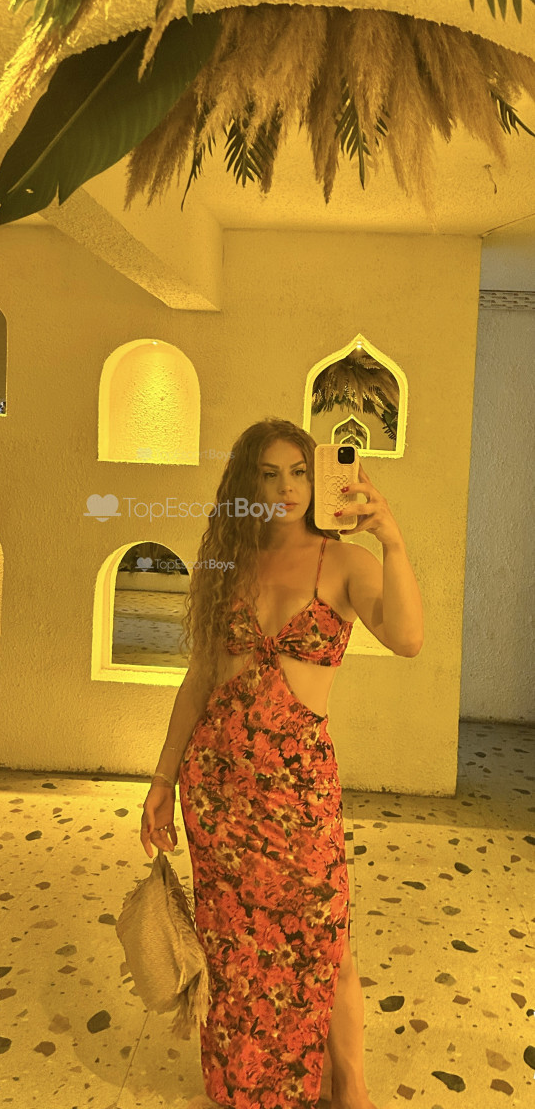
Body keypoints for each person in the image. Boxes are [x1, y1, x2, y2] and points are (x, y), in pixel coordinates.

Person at [140, 418, 423, 1109]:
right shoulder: (227, 566)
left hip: (298, 790)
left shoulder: (345, 563)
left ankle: (349, 1085)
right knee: (235, 947)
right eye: (267, 475)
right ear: (246, 484)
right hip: (216, 790)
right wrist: (162, 778)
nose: (285, 488)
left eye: (298, 472)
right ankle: (247, 1083)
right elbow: (199, 679)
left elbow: (408, 638)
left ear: (320, 478)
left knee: (325, 938)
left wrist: (390, 539)